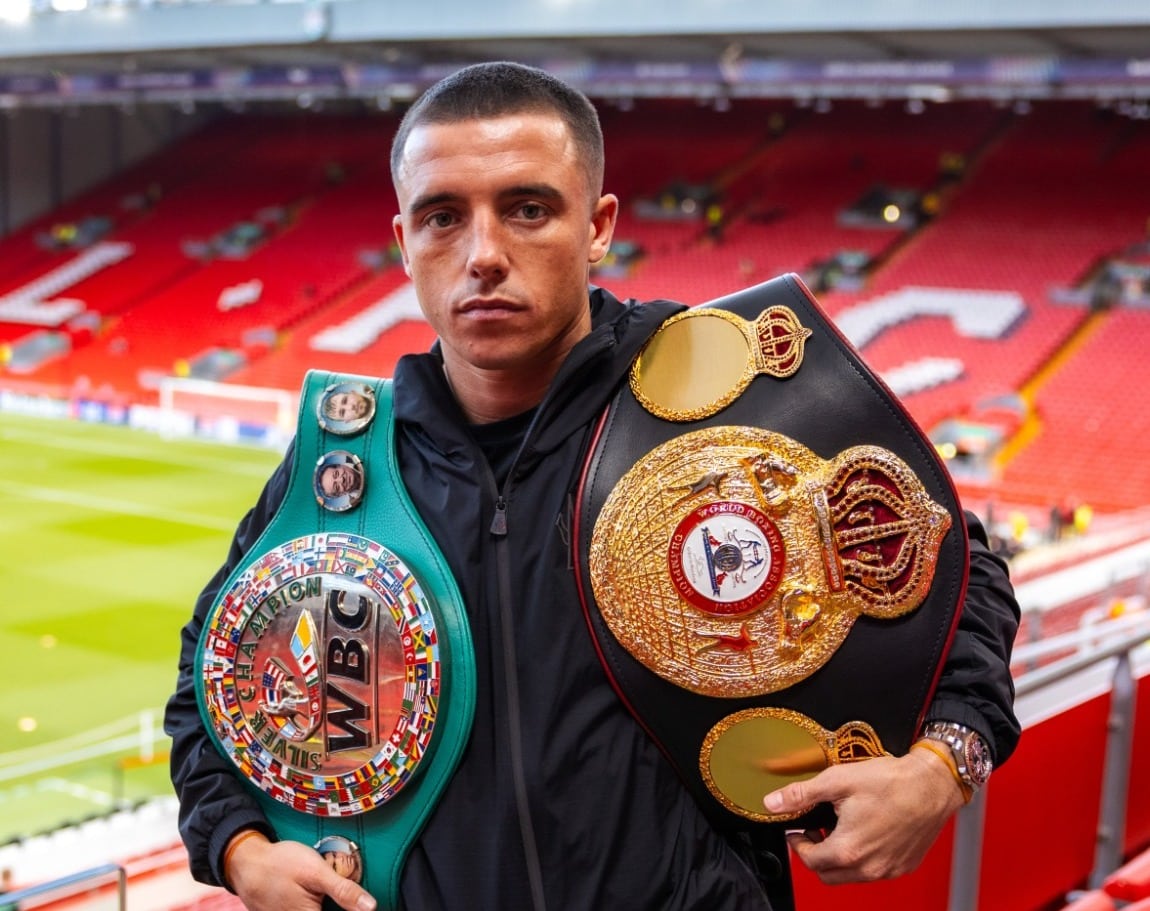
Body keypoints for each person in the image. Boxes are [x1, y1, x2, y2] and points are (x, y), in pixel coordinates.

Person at [164, 61, 1020, 911]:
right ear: (404, 242)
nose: (484, 255)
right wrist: (239, 851)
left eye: (528, 209)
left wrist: (945, 765)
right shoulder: (346, 466)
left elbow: (953, 558)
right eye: (442, 218)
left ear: (599, 225)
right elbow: (207, 683)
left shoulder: (718, 399)